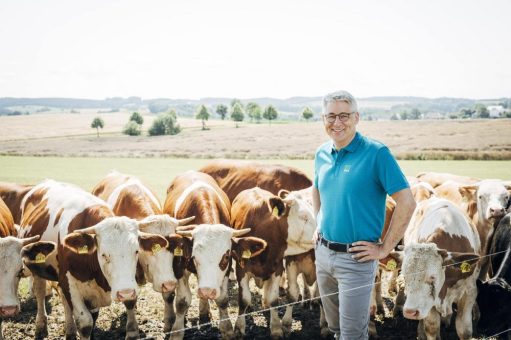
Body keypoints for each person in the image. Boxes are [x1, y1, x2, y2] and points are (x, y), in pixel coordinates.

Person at [312, 90, 416, 339]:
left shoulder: (376, 154)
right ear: (323, 119)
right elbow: (316, 189)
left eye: (344, 116)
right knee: (335, 329)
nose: (337, 123)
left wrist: (383, 249)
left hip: (355, 261)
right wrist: (319, 223)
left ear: (357, 117)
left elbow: (407, 203)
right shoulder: (321, 154)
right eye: (331, 116)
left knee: (353, 335)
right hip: (323, 255)